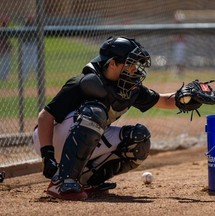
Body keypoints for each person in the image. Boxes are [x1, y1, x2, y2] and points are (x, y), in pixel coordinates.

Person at [33, 36, 193, 201]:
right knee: (95, 113)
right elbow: (45, 116)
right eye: (130, 64)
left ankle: (86, 181)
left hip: (84, 136)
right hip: (50, 139)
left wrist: (187, 98)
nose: (135, 69)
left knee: (138, 140)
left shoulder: (128, 87)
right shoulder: (83, 83)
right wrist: (47, 155)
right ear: (112, 64)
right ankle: (62, 182)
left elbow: (164, 100)